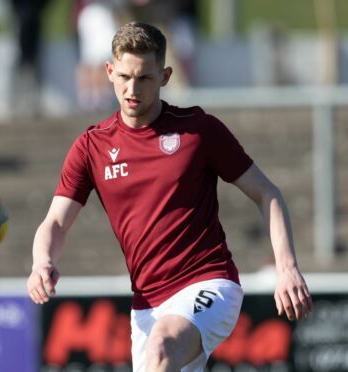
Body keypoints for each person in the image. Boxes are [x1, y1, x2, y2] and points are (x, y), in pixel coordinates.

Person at [27, 22, 313, 371]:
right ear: (109, 72)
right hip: (146, 304)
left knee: (162, 347)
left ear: (164, 76)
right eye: (125, 77)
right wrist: (42, 260)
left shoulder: (198, 130)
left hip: (209, 282)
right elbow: (55, 221)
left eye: (145, 78)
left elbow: (267, 192)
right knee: (158, 354)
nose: (133, 89)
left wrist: (287, 268)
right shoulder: (91, 147)